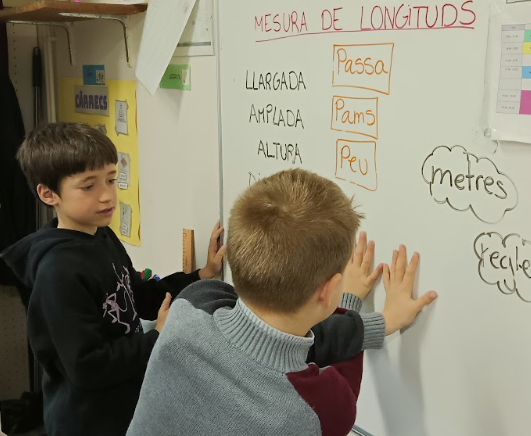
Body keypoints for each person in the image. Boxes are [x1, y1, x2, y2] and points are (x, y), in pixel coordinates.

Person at [127, 169, 437, 436]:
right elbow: (330, 377)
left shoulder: (193, 305)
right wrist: (348, 302)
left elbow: (272, 333)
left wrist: (370, 317)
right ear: (328, 290)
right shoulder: (317, 408)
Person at [0, 122, 225, 436]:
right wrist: (156, 337)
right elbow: (87, 366)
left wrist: (202, 275)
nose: (107, 196)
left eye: (110, 179)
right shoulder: (57, 271)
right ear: (49, 194)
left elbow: (138, 295)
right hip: (87, 422)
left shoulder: (101, 236)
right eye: (88, 186)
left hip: (123, 408)